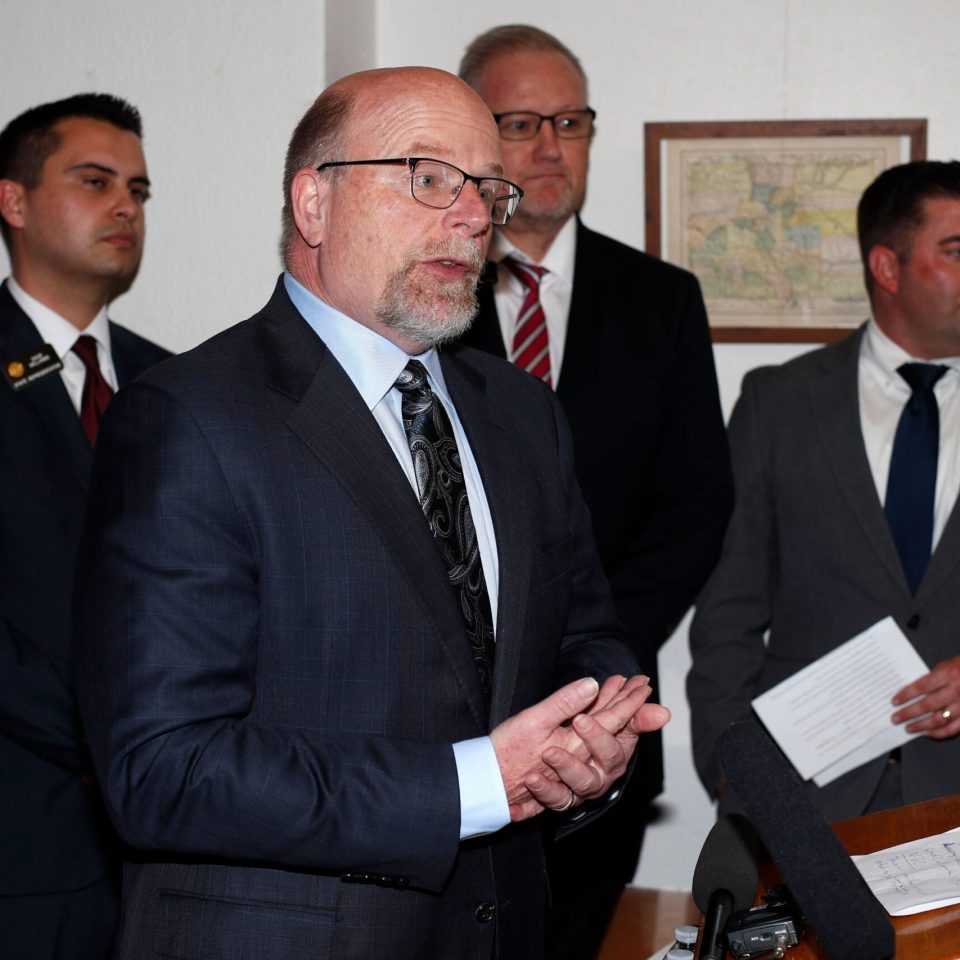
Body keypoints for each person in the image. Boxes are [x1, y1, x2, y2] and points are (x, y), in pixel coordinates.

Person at [73, 66, 670, 960]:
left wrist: (593, 738)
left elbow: (583, 632)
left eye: (488, 190)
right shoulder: (189, 417)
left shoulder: (520, 412)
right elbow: (162, 771)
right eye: (429, 178)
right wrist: (477, 783)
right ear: (314, 203)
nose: (473, 218)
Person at [457, 25, 733, 958]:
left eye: (570, 121)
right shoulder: (423, 291)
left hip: (603, 726)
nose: (548, 146)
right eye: (520, 121)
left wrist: (592, 658)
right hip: (450, 727)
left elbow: (696, 505)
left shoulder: (661, 299)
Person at [689, 160, 960, 824]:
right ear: (887, 268)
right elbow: (728, 610)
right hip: (807, 802)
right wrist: (733, 770)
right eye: (956, 251)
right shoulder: (778, 402)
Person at [0, 93, 170, 960]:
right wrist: (117, 739)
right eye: (96, 181)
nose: (125, 208)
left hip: (170, 849)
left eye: (138, 190)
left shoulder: (174, 385)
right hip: (23, 844)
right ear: (15, 202)